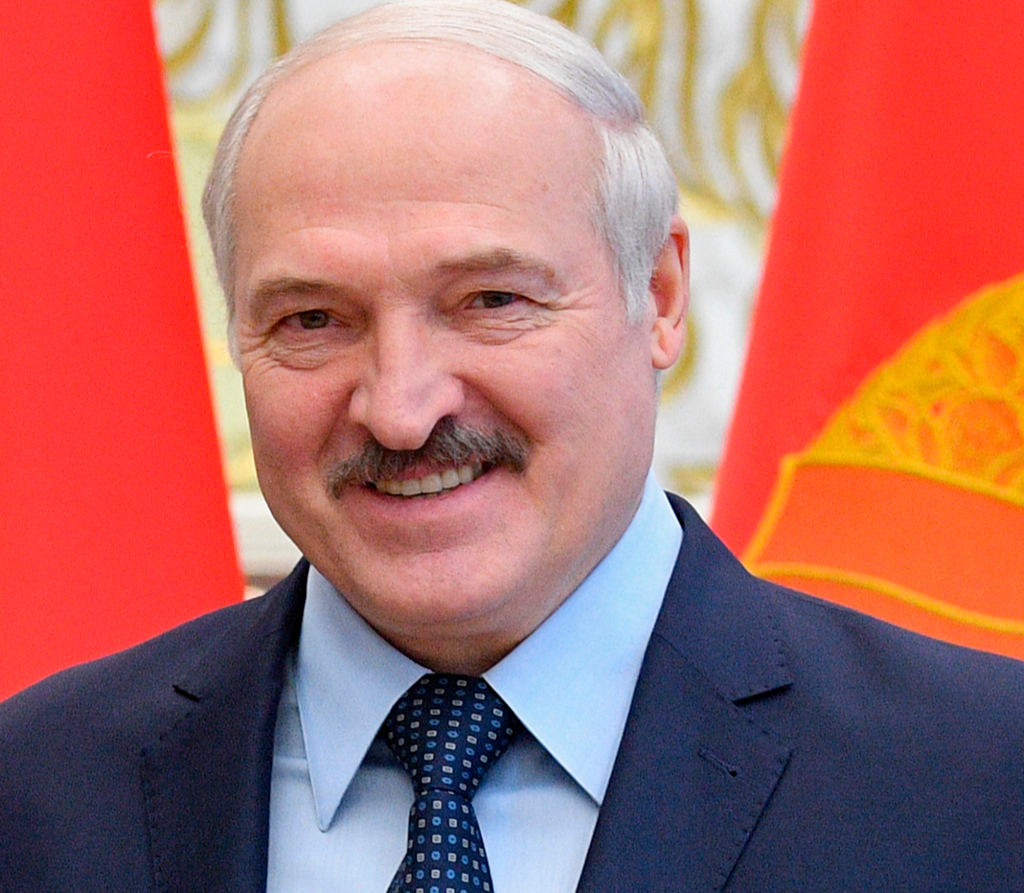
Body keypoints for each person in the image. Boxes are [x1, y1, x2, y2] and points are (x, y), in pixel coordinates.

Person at [2, 1, 1024, 890]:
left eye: (490, 300)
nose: (401, 412)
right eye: (313, 319)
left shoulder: (981, 783)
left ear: (660, 294)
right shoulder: (40, 792)